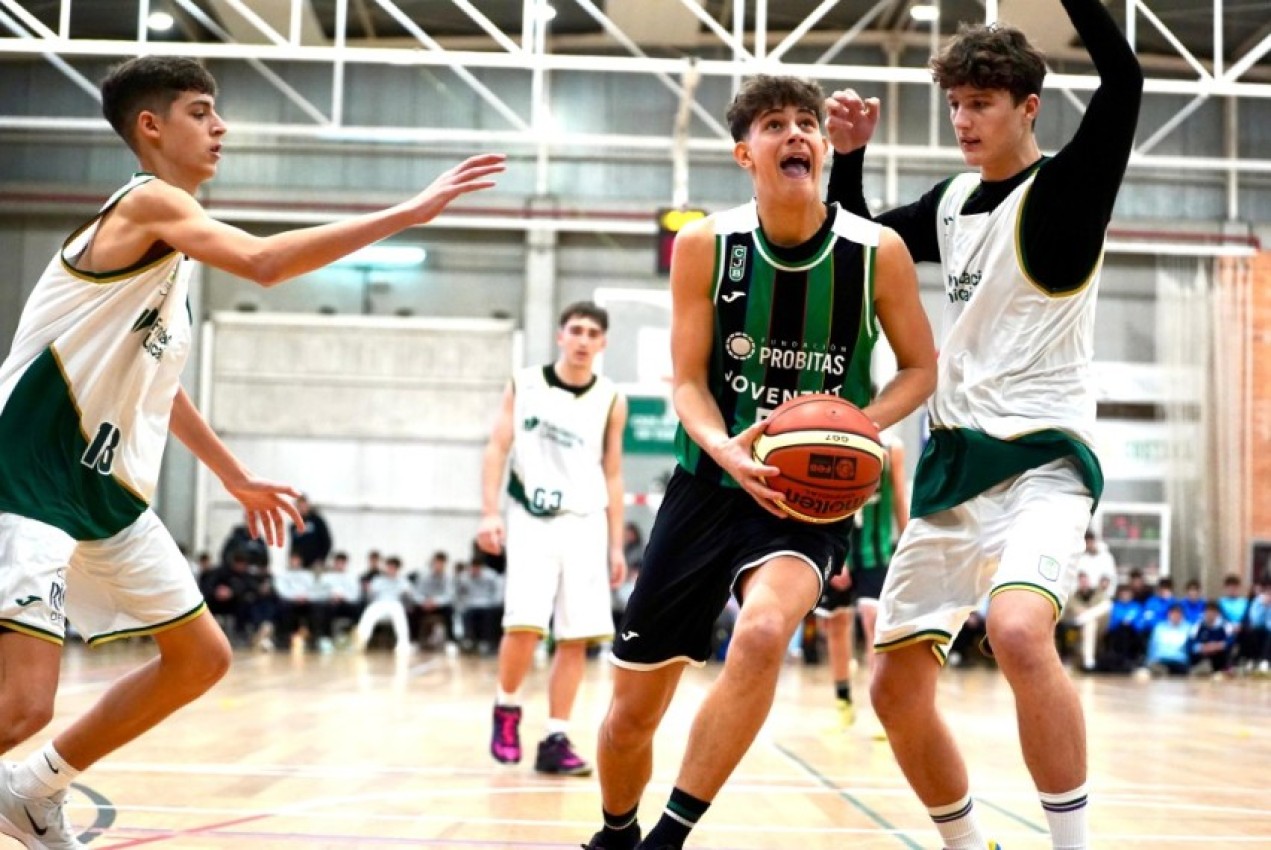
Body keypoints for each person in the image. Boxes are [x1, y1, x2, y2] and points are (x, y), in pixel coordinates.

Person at [0, 55, 503, 850]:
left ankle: (33, 789)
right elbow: (266, 263)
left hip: (99, 490)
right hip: (26, 475)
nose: (221, 125)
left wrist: (233, 476)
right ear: (151, 127)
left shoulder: (169, 254)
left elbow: (158, 388)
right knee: (20, 707)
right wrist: (404, 212)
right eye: (202, 111)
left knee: (199, 657)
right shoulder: (149, 204)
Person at [584, 75, 936, 850]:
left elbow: (919, 370)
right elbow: (686, 381)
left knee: (763, 629)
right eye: (775, 125)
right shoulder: (706, 244)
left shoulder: (877, 252)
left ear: (820, 146)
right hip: (706, 485)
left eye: (805, 123)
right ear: (746, 154)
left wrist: (853, 425)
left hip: (808, 501)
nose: (796, 135)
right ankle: (615, 831)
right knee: (627, 716)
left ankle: (668, 837)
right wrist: (722, 447)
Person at [824, 1, 1142, 845]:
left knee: (1015, 629)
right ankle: (968, 844)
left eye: (982, 104)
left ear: (1027, 107)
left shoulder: (1067, 190)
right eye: (956, 104)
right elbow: (859, 243)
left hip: (1043, 458)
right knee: (893, 692)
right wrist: (845, 163)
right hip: (953, 464)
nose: (963, 120)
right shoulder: (955, 199)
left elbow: (1126, 80)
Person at [477, 301, 629, 777]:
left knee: (576, 635)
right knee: (524, 623)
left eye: (592, 334)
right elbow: (498, 446)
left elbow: (614, 472)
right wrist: (488, 513)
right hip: (530, 515)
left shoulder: (611, 398)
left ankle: (555, 737)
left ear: (603, 343)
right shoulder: (524, 383)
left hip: (586, 520)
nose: (584, 340)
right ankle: (507, 709)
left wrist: (616, 544)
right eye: (576, 331)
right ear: (561, 336)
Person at [816, 430, 908, 728]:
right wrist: (829, 552)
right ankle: (843, 704)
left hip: (876, 553)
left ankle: (879, 712)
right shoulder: (831, 440)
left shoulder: (892, 448)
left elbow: (899, 499)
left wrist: (908, 546)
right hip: (841, 550)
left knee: (873, 621)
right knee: (836, 625)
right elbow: (823, 497)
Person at [288, 494, 333, 569]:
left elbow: (327, 541)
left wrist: (321, 558)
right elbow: (293, 545)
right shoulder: (294, 526)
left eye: (304, 506)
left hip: (316, 563)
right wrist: (293, 558)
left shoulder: (317, 521)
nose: (302, 509)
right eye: (299, 506)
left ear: (308, 506)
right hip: (300, 564)